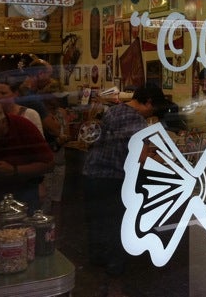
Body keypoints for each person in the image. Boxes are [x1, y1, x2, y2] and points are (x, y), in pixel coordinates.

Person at [82, 84, 167, 277]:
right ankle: (114, 267)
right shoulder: (137, 120)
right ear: (148, 102)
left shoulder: (114, 110)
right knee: (117, 223)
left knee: (97, 220)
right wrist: (165, 159)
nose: (152, 113)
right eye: (154, 108)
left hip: (92, 173)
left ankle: (97, 258)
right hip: (113, 178)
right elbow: (141, 158)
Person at [41, 94, 70, 214]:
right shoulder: (41, 114)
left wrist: (62, 139)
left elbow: (67, 133)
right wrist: (59, 139)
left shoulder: (61, 112)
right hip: (47, 161)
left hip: (59, 160)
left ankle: (56, 225)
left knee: (57, 199)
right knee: (46, 199)